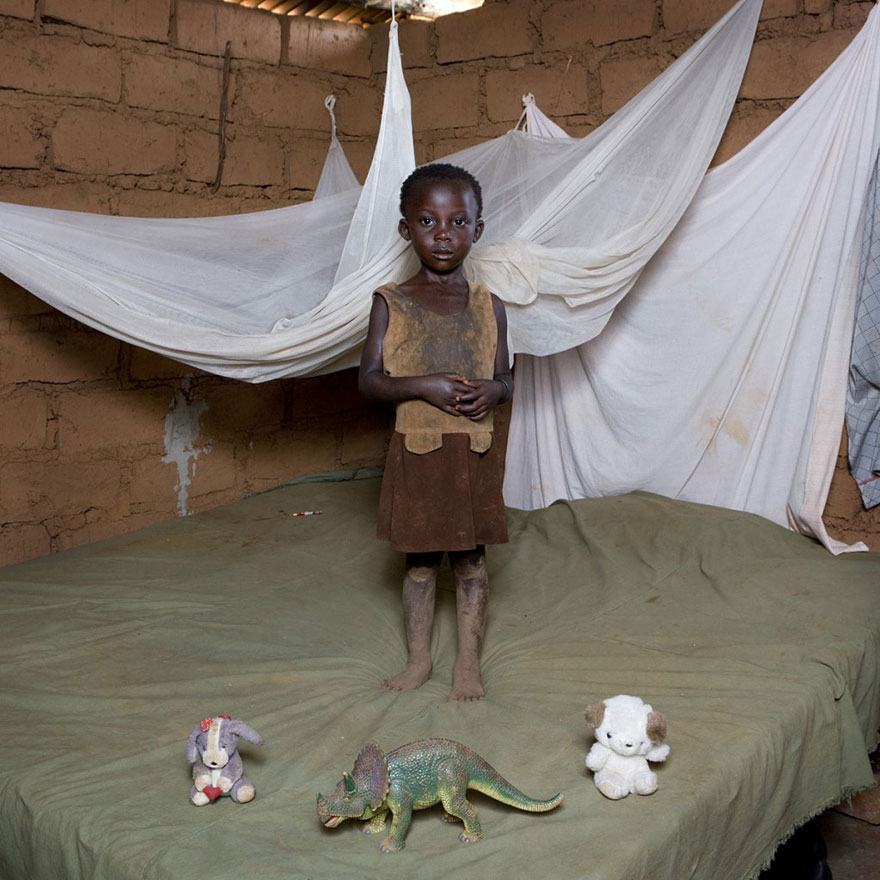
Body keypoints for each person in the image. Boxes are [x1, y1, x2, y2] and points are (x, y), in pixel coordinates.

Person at [358, 163, 513, 702]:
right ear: (406, 230)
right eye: (427, 220)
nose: (443, 233)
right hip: (419, 454)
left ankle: (468, 662)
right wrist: (423, 385)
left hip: (473, 453)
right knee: (421, 564)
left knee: (471, 561)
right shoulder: (390, 302)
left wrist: (495, 391)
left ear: (477, 229)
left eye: (457, 220)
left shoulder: (489, 307)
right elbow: (370, 382)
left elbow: (506, 378)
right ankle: (419, 659)